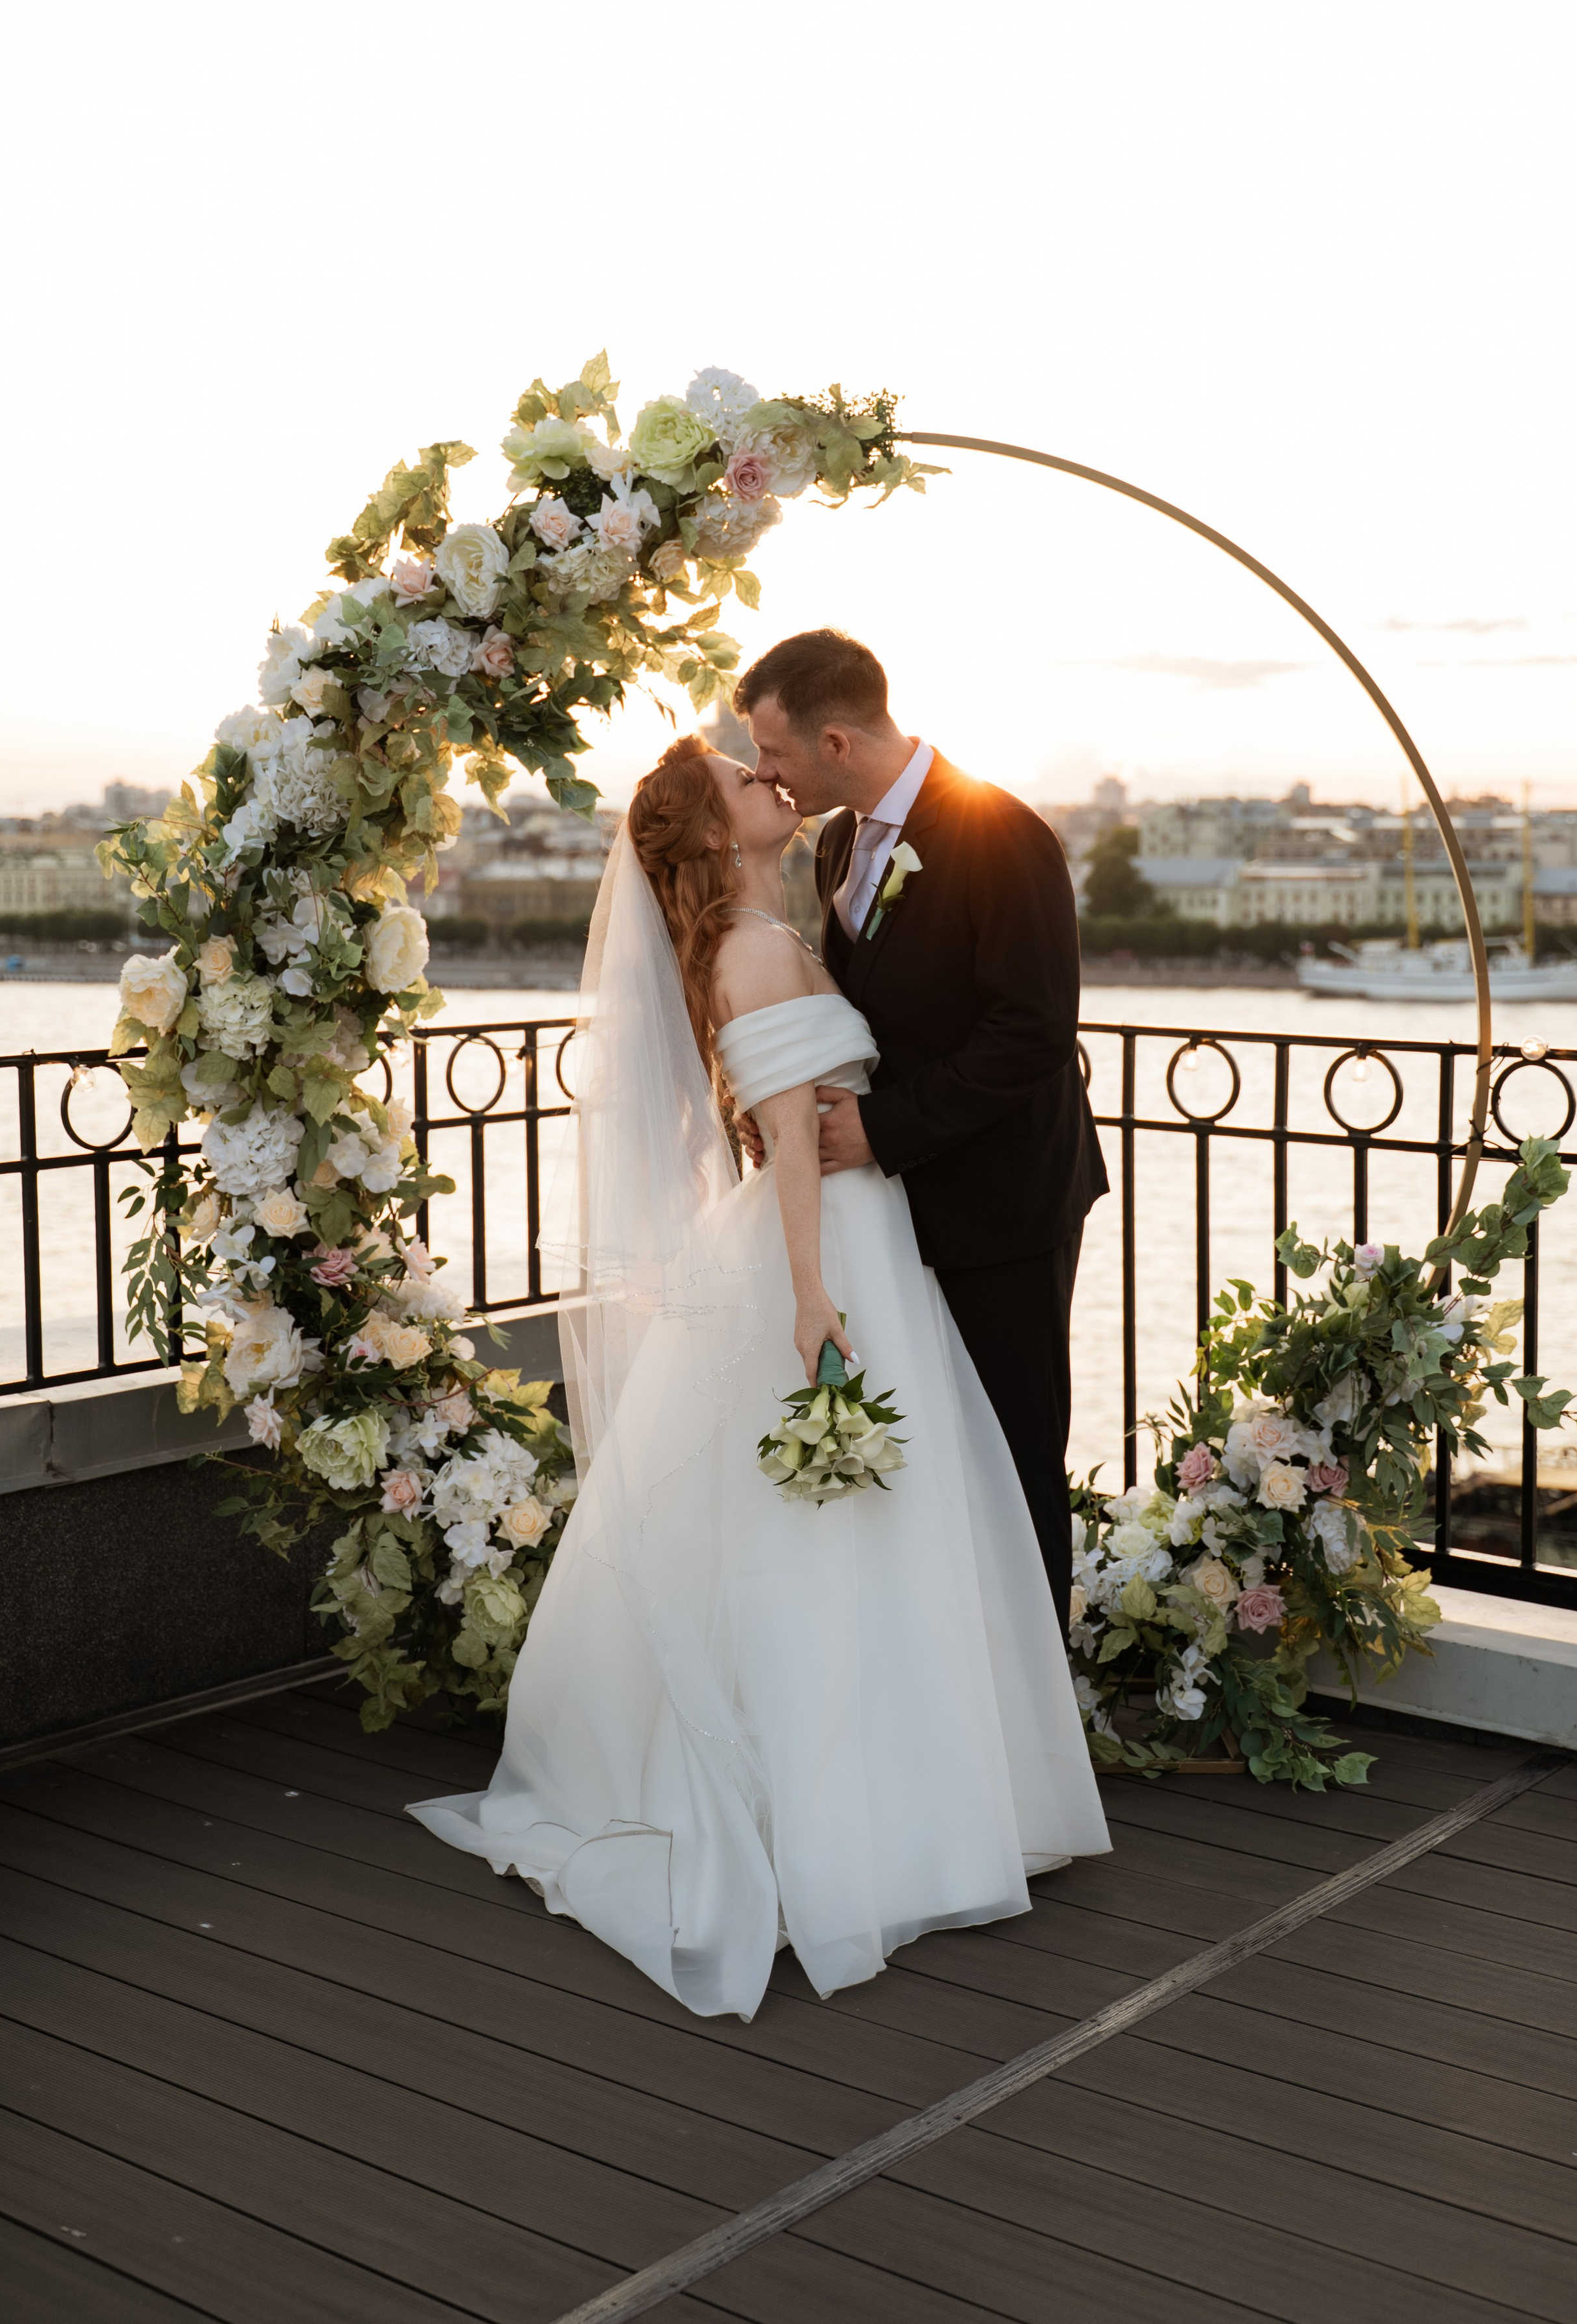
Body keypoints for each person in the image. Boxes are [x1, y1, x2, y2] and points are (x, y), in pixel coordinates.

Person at [408, 735, 1108, 2020]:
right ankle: (866, 1815)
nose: (765, 778)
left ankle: (899, 1793)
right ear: (714, 829)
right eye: (740, 774)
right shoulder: (752, 943)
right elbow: (789, 1140)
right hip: (831, 1249)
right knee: (841, 1527)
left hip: (854, 1237)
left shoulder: (769, 926)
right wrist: (811, 1297)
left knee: (852, 1523)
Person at [733, 628, 1108, 1632]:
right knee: (941, 1451)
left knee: (1015, 1446)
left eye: (774, 753)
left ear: (839, 742)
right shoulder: (842, 842)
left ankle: (1039, 1692)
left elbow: (1031, 1033)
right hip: (904, 1206)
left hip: (1002, 1201)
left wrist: (881, 1131)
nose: (765, 773)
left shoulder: (1001, 832)